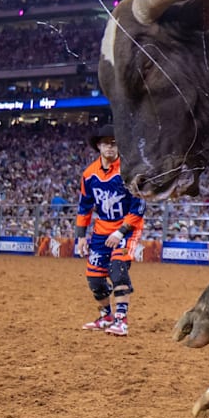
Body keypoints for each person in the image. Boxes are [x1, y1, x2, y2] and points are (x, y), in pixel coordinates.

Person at [75, 124, 145, 336]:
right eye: (106, 143)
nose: (111, 147)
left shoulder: (129, 170)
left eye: (115, 143)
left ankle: (121, 320)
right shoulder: (89, 174)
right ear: (98, 146)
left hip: (127, 228)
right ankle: (106, 316)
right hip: (101, 230)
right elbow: (84, 207)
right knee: (94, 278)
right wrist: (80, 237)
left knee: (117, 268)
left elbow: (139, 206)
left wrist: (121, 231)